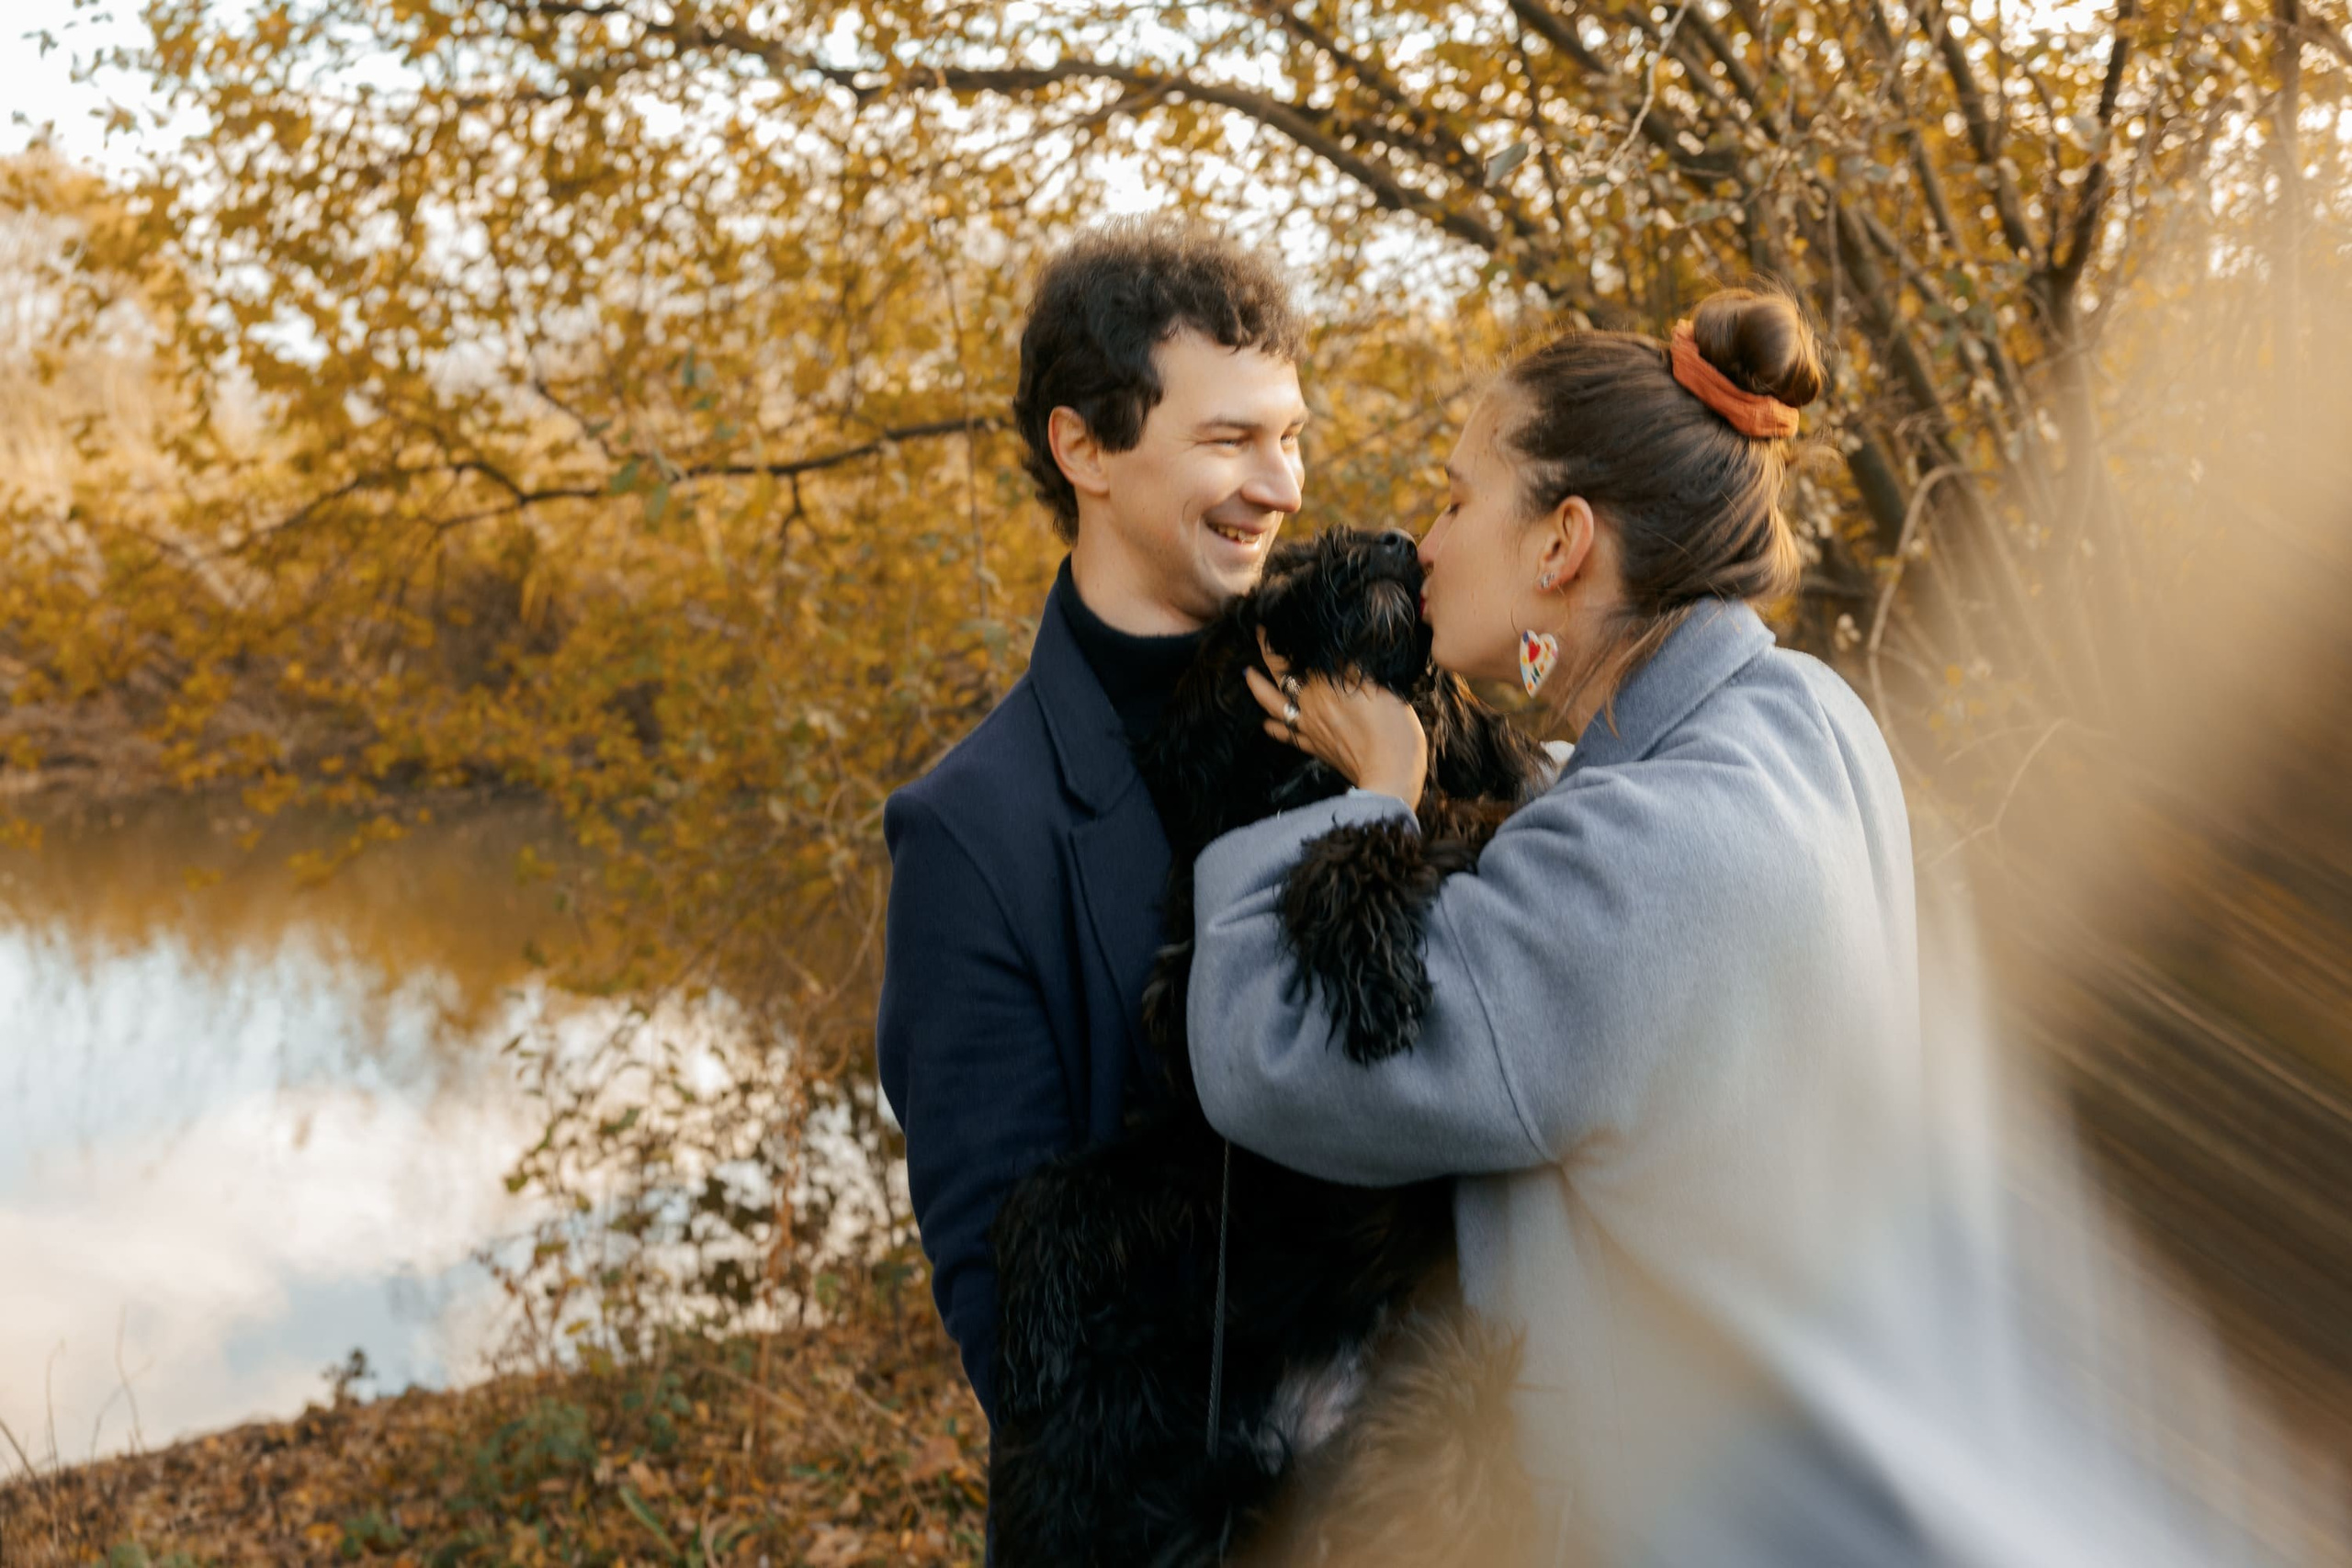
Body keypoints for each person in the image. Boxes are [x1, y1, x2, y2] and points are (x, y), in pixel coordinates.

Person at [1184, 289, 2261, 1567]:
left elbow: (1269, 1052)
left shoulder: (1642, 860)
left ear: (1562, 543)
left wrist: (1370, 800)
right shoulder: (1807, 719)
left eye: (1458, 496)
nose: (1424, 543)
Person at [875, 219, 1308, 1440]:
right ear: (1086, 447)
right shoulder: (968, 835)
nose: (1282, 486)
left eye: (1289, 437)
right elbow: (1030, 1337)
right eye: (1229, 440)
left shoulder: (1368, 709)